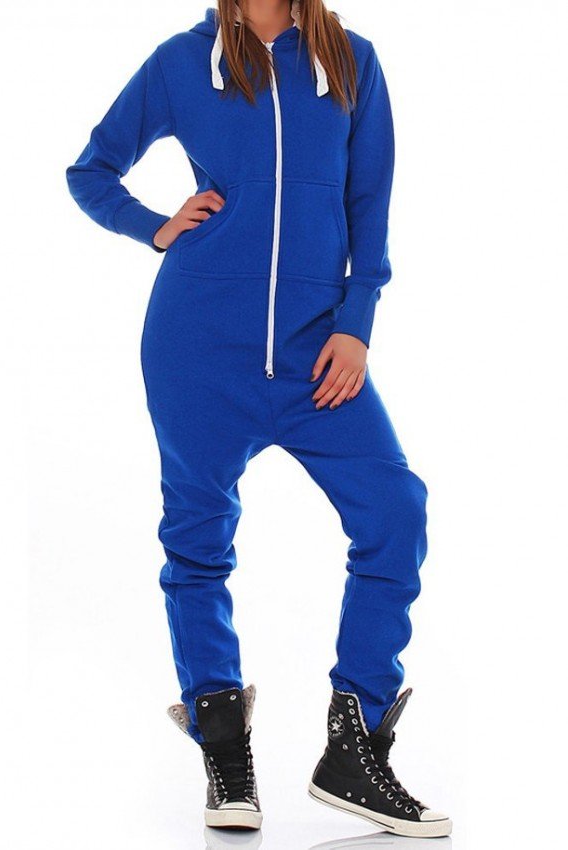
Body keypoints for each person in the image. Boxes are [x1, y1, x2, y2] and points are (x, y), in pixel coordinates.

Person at [66, 0, 451, 838]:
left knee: (395, 510)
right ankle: (224, 748)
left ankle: (354, 747)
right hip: (198, 347)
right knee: (197, 541)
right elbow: (90, 171)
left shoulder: (350, 59)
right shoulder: (182, 61)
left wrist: (356, 324)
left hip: (319, 354)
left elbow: (369, 202)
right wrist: (155, 228)